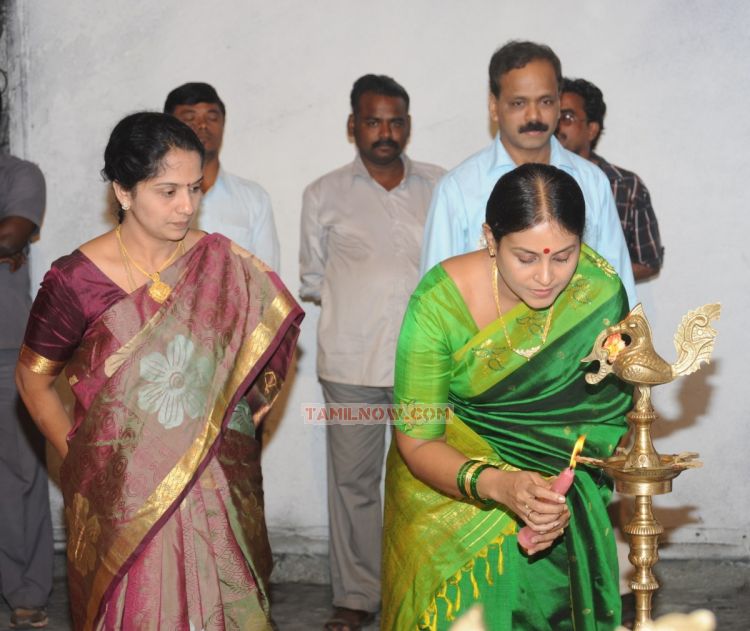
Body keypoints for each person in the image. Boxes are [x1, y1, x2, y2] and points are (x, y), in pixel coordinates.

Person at [15, 112, 303, 630]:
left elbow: (267, 344)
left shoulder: (218, 262)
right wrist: (84, 458)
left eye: (195, 188)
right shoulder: (75, 280)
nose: (187, 206)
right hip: (123, 495)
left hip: (213, 490)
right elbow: (31, 380)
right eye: (167, 191)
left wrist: (230, 429)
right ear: (123, 192)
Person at [382, 164, 632, 630]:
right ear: (490, 241)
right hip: (452, 500)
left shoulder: (598, 295)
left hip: (556, 502)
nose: (545, 276)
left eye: (564, 256)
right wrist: (501, 485)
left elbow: (605, 415)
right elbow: (417, 440)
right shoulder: (439, 304)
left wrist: (550, 495)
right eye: (525, 257)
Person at [299, 74, 444, 631]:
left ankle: (425, 588)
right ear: (352, 126)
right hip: (353, 365)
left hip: (426, 363)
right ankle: (356, 597)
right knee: (354, 484)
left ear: (407, 125)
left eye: (396, 121)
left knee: (428, 481)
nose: (385, 132)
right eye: (373, 120)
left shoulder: (440, 186)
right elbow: (312, 277)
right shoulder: (322, 194)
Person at [420, 40, 637, 307]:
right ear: (493, 106)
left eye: (545, 101)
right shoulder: (458, 189)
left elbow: (618, 288)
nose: (534, 115)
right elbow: (437, 299)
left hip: (580, 347)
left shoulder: (591, 182)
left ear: (559, 103)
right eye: (519, 103)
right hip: (486, 344)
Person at [0, 152, 53, 629]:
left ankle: (26, 590)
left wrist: (8, 241)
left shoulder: (18, 174)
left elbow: (12, 233)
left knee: (19, 477)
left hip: (5, 347)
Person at [556, 77, 664, 281]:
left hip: (604, 309)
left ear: (592, 129)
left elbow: (648, 263)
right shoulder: (532, 180)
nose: (557, 126)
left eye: (567, 117)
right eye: (554, 117)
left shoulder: (625, 186)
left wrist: (591, 276)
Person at [164, 82, 281, 271]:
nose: (202, 125)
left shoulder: (253, 198)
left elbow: (267, 280)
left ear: (223, 123)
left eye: (211, 117)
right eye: (189, 118)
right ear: (169, 127)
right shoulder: (155, 196)